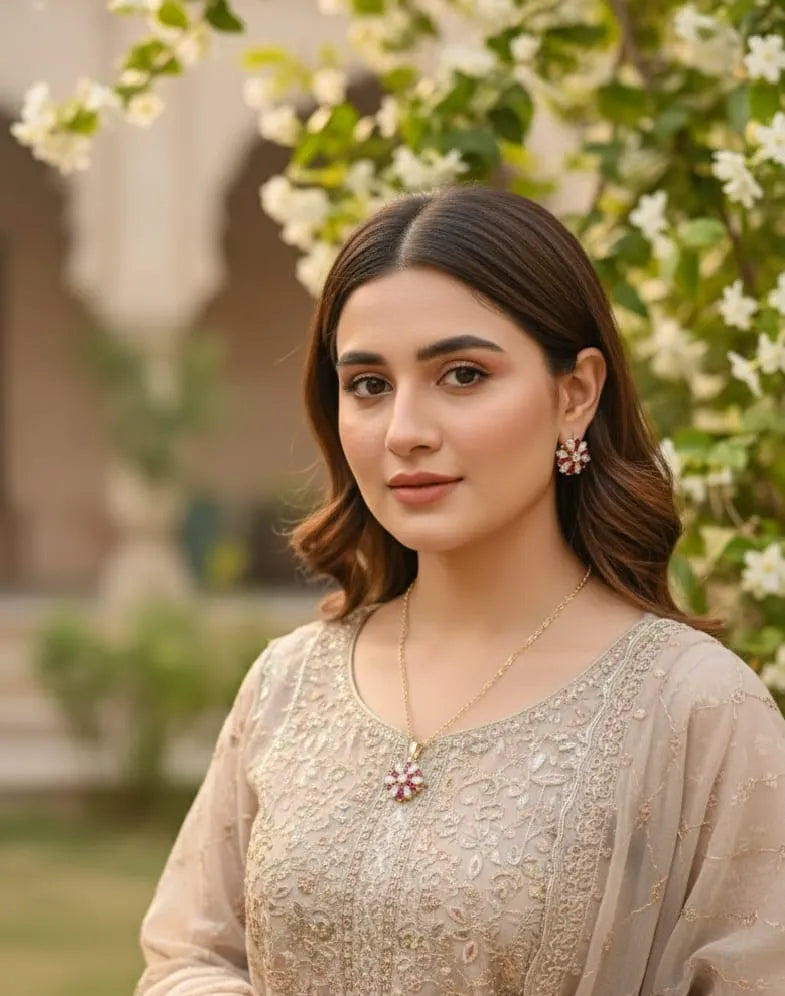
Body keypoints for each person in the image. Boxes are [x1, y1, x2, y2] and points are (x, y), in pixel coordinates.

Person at [134, 186, 785, 995]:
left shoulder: (693, 708)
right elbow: (191, 957)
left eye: (462, 374)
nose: (405, 429)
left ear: (574, 394)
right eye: (368, 384)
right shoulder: (290, 684)